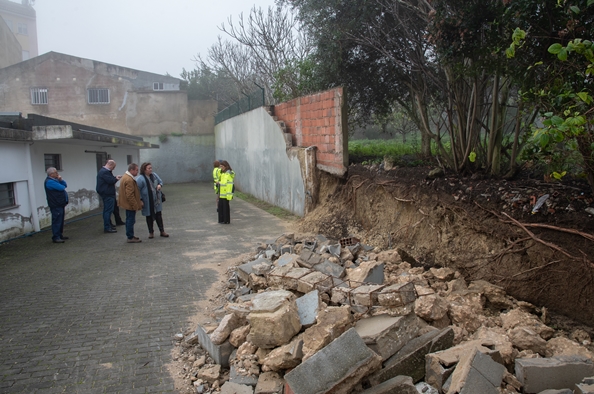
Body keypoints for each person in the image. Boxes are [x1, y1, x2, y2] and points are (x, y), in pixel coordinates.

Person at [137, 162, 169, 238]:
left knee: (158, 215)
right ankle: (151, 232)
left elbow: (160, 181)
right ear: (144, 169)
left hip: (156, 200)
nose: (151, 169)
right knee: (149, 216)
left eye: (151, 168)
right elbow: (138, 190)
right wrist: (140, 200)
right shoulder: (140, 178)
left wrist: (159, 185)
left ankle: (162, 231)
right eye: (149, 168)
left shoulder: (154, 175)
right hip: (147, 201)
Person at [118, 163, 143, 243]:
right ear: (131, 170)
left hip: (127, 204)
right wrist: (135, 205)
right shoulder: (129, 179)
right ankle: (130, 236)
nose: (137, 172)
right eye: (136, 170)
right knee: (130, 220)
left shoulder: (126, 177)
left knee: (130, 219)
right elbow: (130, 195)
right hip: (129, 205)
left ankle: (131, 235)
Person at [96, 159, 123, 233]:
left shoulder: (104, 171)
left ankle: (110, 224)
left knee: (111, 209)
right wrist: (116, 178)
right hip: (107, 193)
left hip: (107, 193)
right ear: (110, 165)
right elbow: (110, 181)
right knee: (108, 210)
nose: (113, 168)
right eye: (113, 167)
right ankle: (107, 227)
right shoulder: (104, 172)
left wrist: (114, 178)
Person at [44, 167, 69, 243]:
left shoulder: (55, 180)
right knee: (57, 221)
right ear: (51, 174)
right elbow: (62, 187)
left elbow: (65, 184)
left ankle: (60, 234)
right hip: (55, 204)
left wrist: (61, 180)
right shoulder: (50, 182)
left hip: (60, 203)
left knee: (60, 220)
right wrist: (60, 182)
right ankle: (56, 237)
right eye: (56, 173)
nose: (57, 174)